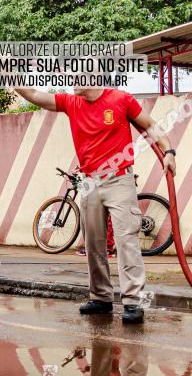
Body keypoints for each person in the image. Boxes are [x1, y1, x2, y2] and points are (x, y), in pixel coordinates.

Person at [15, 86, 176, 324]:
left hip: (119, 178)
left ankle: (133, 302)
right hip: (89, 181)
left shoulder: (121, 99)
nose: (73, 78)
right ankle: (101, 298)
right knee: (94, 243)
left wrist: (169, 151)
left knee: (126, 241)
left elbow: (151, 126)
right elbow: (34, 96)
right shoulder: (71, 103)